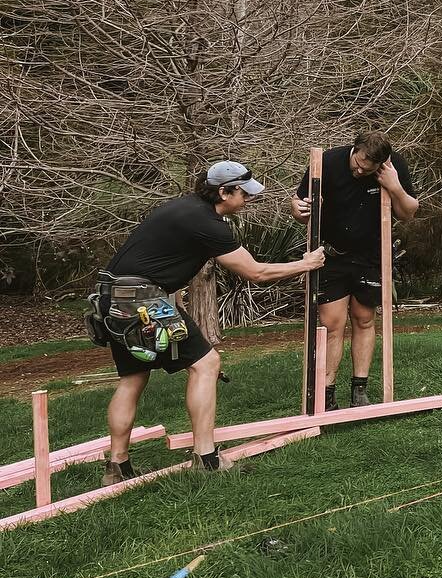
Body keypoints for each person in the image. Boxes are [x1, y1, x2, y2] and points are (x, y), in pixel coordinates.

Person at [96, 161, 326, 484]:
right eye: (243, 193)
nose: (248, 200)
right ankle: (206, 458)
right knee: (207, 364)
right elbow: (255, 273)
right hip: (141, 300)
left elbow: (153, 261)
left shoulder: (183, 208)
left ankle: (117, 465)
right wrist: (305, 264)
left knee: (132, 378)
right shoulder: (208, 223)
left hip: (113, 296)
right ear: (223, 192)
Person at [290, 131, 418, 410]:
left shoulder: (393, 166)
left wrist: (394, 187)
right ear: (354, 149)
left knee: (364, 319)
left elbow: (408, 213)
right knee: (332, 323)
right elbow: (297, 206)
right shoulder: (326, 162)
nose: (360, 171)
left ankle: (359, 390)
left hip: (371, 255)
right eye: (357, 164)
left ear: (381, 164)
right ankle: (327, 392)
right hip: (332, 254)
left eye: (367, 169)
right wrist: (300, 209)